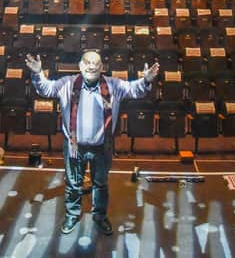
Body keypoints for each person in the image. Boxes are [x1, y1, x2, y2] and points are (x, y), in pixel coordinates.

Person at [26, 50, 160, 235]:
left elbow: (134, 89)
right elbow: (45, 89)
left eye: (96, 63)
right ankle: (72, 215)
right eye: (88, 62)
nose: (92, 66)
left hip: (102, 146)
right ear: (80, 66)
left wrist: (146, 80)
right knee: (74, 184)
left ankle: (99, 216)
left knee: (101, 184)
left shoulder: (113, 85)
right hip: (75, 146)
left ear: (102, 68)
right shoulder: (67, 84)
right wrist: (37, 73)